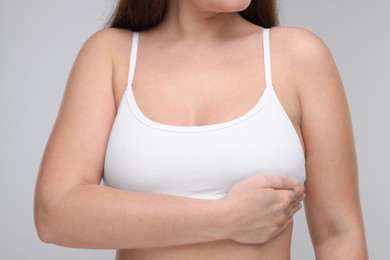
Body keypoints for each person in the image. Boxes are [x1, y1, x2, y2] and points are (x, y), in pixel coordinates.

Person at [34, 0, 368, 259]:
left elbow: (339, 233)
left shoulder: (298, 56)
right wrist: (226, 218)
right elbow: (56, 213)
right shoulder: (111, 55)